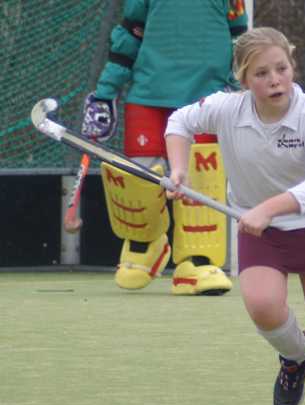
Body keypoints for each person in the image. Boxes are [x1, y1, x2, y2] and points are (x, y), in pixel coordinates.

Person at [165, 27, 305, 405]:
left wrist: (268, 208)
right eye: (261, 73)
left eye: (281, 68)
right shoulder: (226, 110)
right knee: (262, 306)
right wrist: (179, 168)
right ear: (243, 80)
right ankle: (296, 356)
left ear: (292, 66)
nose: (275, 80)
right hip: (259, 229)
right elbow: (179, 122)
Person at [81, 1, 248, 295]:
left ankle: (197, 260)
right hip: (148, 94)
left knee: (202, 179)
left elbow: (241, 42)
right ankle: (145, 243)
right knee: (139, 177)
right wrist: (106, 92)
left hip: (207, 99)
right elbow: (130, 33)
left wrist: (240, 90)